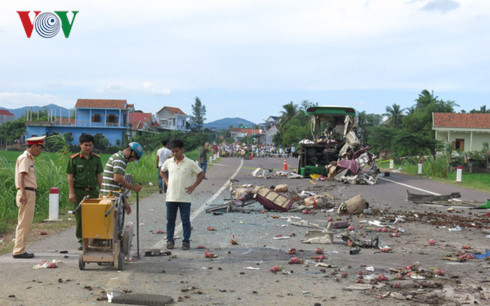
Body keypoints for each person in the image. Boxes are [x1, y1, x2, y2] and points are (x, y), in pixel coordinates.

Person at [161, 139, 204, 250]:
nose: (175, 153)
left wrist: (193, 186)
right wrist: (166, 181)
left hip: (184, 197)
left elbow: (201, 174)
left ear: (182, 150)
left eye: (177, 151)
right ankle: (170, 241)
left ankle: (186, 241)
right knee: (170, 221)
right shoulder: (168, 162)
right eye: (173, 151)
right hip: (171, 197)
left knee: (185, 221)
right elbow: (162, 171)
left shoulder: (190, 163)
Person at [66, 134, 103, 250]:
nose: (88, 148)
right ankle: (82, 240)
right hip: (79, 192)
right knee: (80, 216)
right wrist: (71, 193)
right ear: (80, 145)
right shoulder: (74, 159)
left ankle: (95, 238)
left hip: (92, 192)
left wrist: (102, 191)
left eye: (90, 145)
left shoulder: (96, 159)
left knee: (96, 215)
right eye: (85, 145)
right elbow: (70, 177)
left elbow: (99, 176)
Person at [13, 136, 45, 259]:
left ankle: (20, 248)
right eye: (39, 148)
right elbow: (21, 176)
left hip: (28, 191)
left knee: (25, 222)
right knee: (24, 223)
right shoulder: (25, 158)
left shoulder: (29, 159)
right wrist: (23, 194)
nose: (40, 151)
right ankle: (19, 250)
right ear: (33, 146)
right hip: (26, 192)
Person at [100, 142, 144, 214]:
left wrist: (125, 202)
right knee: (111, 224)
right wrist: (133, 187)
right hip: (110, 198)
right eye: (134, 158)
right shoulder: (120, 159)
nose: (132, 160)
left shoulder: (119, 157)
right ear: (132, 153)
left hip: (111, 196)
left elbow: (118, 185)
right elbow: (117, 179)